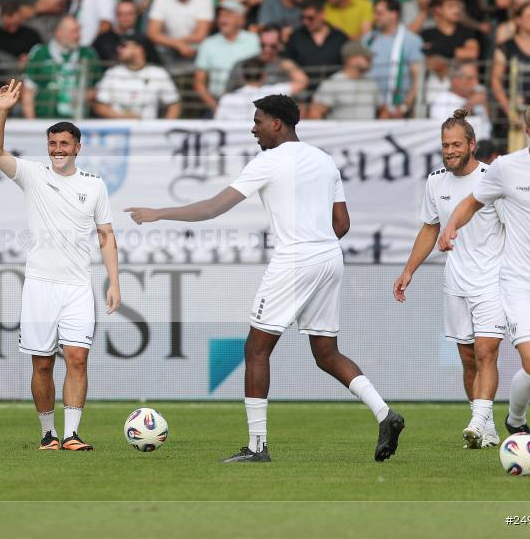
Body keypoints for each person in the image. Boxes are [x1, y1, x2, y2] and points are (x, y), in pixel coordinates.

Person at [125, 94, 405, 463]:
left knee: (256, 350)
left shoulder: (269, 161)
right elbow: (342, 224)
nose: (253, 129)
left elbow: (213, 207)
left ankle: (257, 447)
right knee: (326, 353)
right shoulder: (324, 160)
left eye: (258, 122)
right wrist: (315, 244)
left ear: (277, 123)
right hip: (329, 258)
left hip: (295, 261)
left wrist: (159, 213)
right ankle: (385, 413)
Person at [439, 99, 530, 474]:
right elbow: (471, 202)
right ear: (526, 133)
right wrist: (451, 226)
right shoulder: (506, 167)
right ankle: (515, 420)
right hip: (520, 284)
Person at [0, 79, 121, 451]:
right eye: (52, 143)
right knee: (42, 364)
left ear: (78, 147)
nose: (58, 149)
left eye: (64, 143)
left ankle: (73, 433)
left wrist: (114, 281)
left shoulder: (94, 185)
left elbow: (106, 234)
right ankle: (48, 434)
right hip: (40, 285)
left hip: (77, 287)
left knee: (77, 359)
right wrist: (2, 111)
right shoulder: (33, 174)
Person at [394, 110, 504, 448]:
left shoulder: (491, 180)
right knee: (468, 359)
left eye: (456, 144)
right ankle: (487, 428)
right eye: (445, 145)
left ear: (472, 145)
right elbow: (430, 228)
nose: (450, 151)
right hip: (455, 282)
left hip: (493, 280)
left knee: (486, 352)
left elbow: (514, 229)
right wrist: (409, 270)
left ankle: (476, 422)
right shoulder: (436, 181)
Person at [93, 31, 180, 119]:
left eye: (123, 46)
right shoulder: (112, 73)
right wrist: (123, 117)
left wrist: (164, 126)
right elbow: (100, 106)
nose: (118, 49)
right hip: (117, 126)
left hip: (148, 127)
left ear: (139, 49)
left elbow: (174, 105)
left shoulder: (158, 73)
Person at [309, 41, 383, 120]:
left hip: (368, 128)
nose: (370, 60)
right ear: (351, 59)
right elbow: (315, 113)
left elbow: (383, 110)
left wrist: (380, 126)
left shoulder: (371, 83)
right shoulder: (333, 83)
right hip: (340, 128)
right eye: (366, 57)